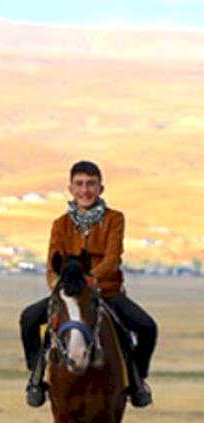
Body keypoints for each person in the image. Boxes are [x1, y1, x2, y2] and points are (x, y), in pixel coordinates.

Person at [19, 160, 156, 408]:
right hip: (69, 294)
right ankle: (36, 378)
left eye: (91, 184)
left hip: (106, 292)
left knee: (147, 327)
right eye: (79, 184)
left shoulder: (114, 219)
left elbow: (113, 259)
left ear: (101, 188)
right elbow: (52, 263)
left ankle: (137, 382)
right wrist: (57, 287)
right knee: (29, 318)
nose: (85, 190)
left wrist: (89, 281)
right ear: (70, 189)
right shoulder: (60, 224)